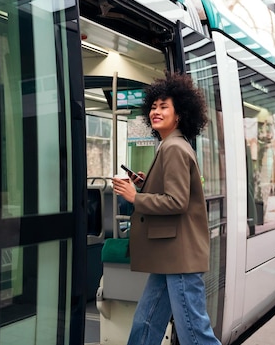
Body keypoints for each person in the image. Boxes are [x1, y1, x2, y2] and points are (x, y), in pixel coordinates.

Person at [112, 72, 220, 345]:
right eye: (153, 106)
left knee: (195, 334)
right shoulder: (173, 145)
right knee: (145, 325)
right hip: (170, 254)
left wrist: (135, 197)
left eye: (163, 107)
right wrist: (144, 184)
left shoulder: (173, 148)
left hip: (179, 256)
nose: (155, 112)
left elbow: (176, 201)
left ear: (180, 113)